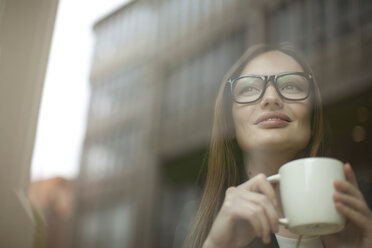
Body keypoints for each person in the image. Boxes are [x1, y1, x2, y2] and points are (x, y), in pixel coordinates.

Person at [185, 44, 372, 248]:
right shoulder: (208, 226)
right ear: (230, 120)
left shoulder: (364, 213)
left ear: (313, 114)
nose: (271, 98)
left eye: (291, 86)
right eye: (249, 88)